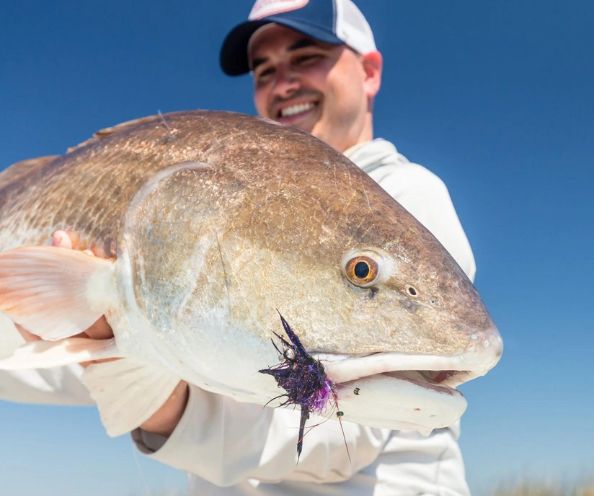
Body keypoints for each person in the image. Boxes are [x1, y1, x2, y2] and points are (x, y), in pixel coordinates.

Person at [0, 1, 476, 494]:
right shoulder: (227, 208)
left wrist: (155, 401)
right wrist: (98, 345)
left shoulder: (409, 195)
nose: (282, 82)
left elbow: (337, 441)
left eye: (306, 55)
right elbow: (65, 364)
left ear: (369, 71)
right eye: (264, 69)